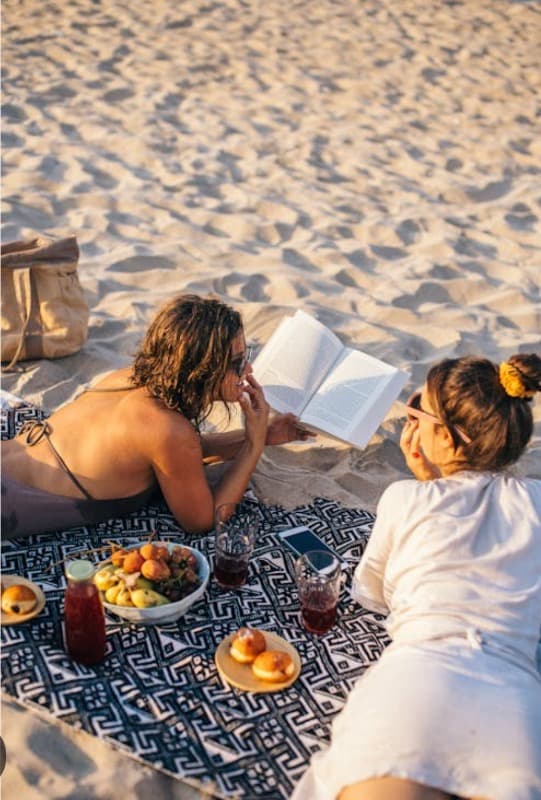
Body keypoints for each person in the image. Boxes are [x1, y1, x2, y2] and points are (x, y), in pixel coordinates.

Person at [291, 353, 541, 800]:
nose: (410, 418)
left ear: (444, 438)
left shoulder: (405, 499)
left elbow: (372, 595)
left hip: (417, 681)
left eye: (417, 410)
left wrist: (425, 486)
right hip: (514, 701)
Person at [1, 294, 311, 538]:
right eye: (236, 362)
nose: (248, 370)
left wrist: (263, 434)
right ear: (199, 370)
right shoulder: (168, 431)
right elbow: (203, 520)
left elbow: (181, 455)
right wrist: (253, 447)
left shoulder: (128, 378)